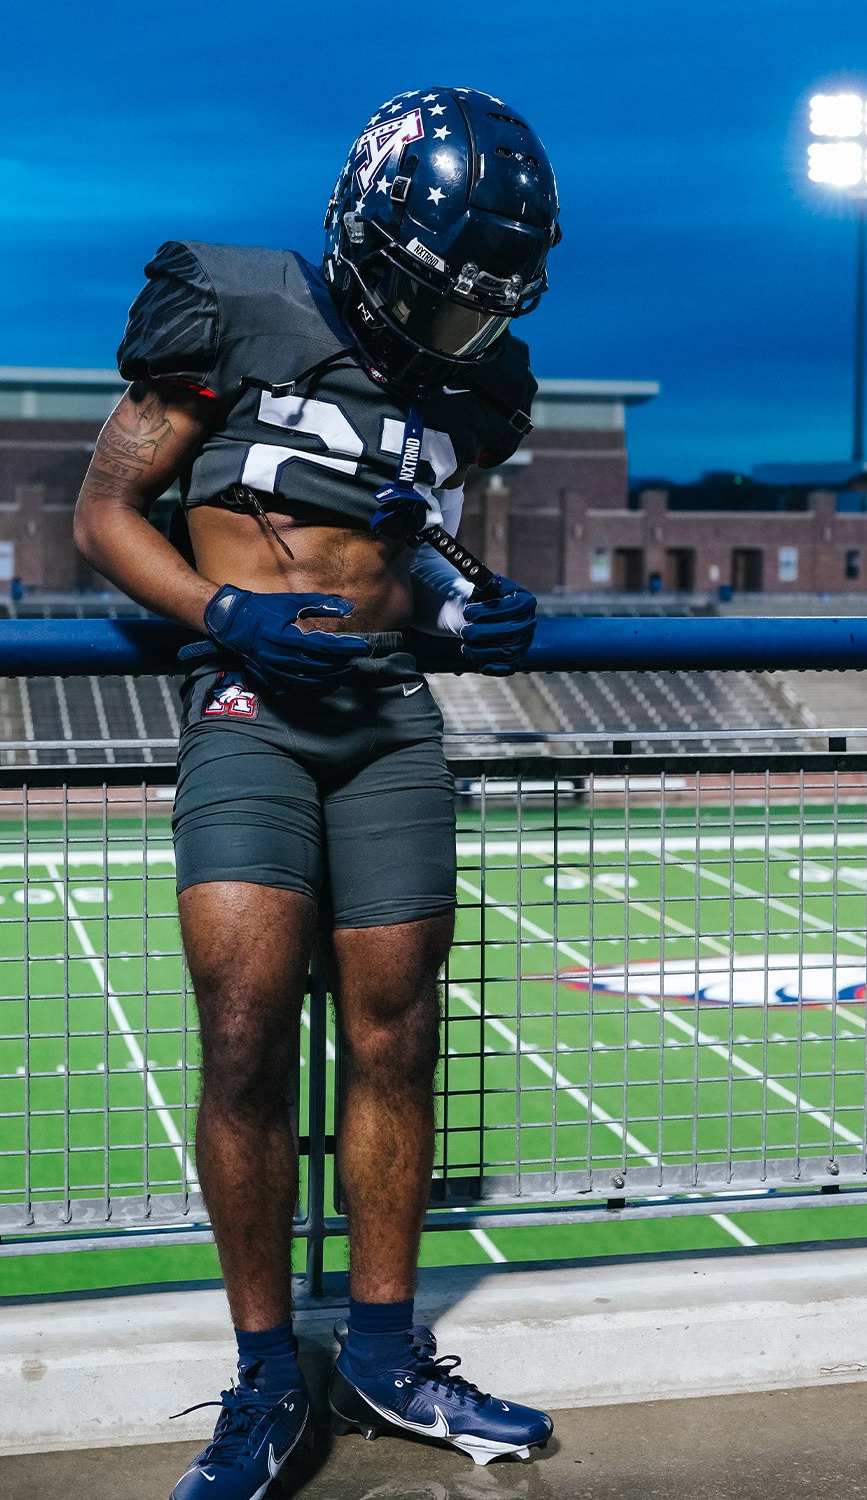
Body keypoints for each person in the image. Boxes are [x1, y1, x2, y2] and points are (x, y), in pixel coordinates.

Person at [74, 85, 560, 1500]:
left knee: (396, 1038)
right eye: (437, 296)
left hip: (390, 717)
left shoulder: (474, 389)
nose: (454, 333)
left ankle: (389, 1355)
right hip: (251, 709)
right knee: (242, 1033)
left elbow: (409, 568)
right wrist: (225, 612)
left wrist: (466, 616)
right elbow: (102, 513)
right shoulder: (226, 310)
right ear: (367, 234)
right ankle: (265, 1374)